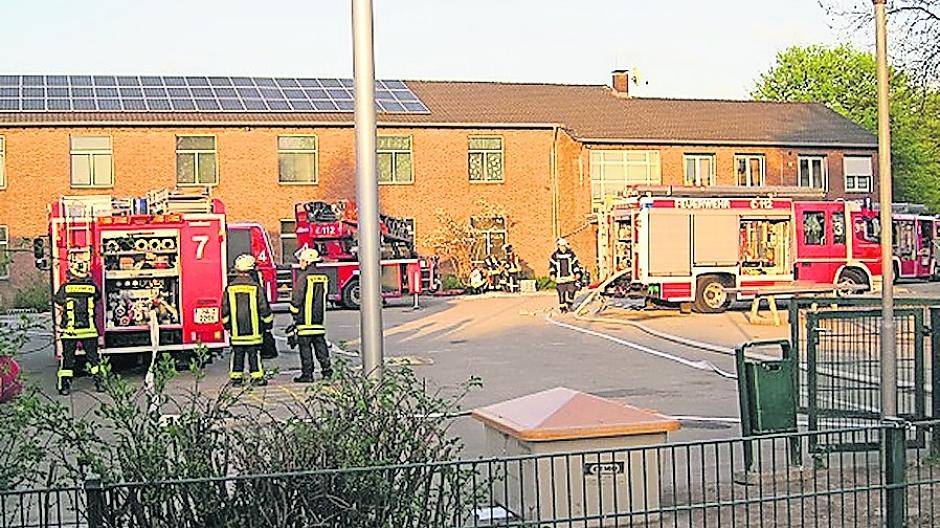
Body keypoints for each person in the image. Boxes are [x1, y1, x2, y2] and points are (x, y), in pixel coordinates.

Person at [53, 256, 102, 395]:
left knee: (68, 361)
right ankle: (99, 383)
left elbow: (58, 300)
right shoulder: (91, 287)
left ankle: (65, 387)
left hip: (70, 332)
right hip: (89, 331)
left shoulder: (66, 288)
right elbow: (98, 297)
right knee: (94, 360)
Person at [221, 254, 273, 386]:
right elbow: (264, 309)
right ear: (252, 270)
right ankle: (257, 378)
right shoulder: (256, 288)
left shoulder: (229, 288)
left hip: (237, 332)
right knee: (254, 355)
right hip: (254, 332)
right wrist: (268, 325)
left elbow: (225, 310)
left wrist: (227, 326)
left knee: (237, 355)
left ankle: (236, 379)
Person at [290, 248, 333, 382]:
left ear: (308, 261)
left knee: (305, 348)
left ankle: (307, 374)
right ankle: (327, 371)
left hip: (304, 321)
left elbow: (296, 299)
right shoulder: (323, 277)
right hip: (318, 320)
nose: (300, 263)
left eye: (302, 260)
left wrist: (295, 316)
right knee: (320, 346)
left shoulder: (303, 278)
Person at [549, 238, 582, 312]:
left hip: (570, 277)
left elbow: (575, 264)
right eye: (561, 246)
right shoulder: (554, 256)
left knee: (572, 290)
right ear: (558, 246)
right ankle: (563, 308)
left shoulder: (571, 254)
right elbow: (552, 266)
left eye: (564, 246)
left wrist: (577, 273)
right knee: (561, 293)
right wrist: (552, 274)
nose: (562, 248)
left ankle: (569, 304)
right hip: (560, 278)